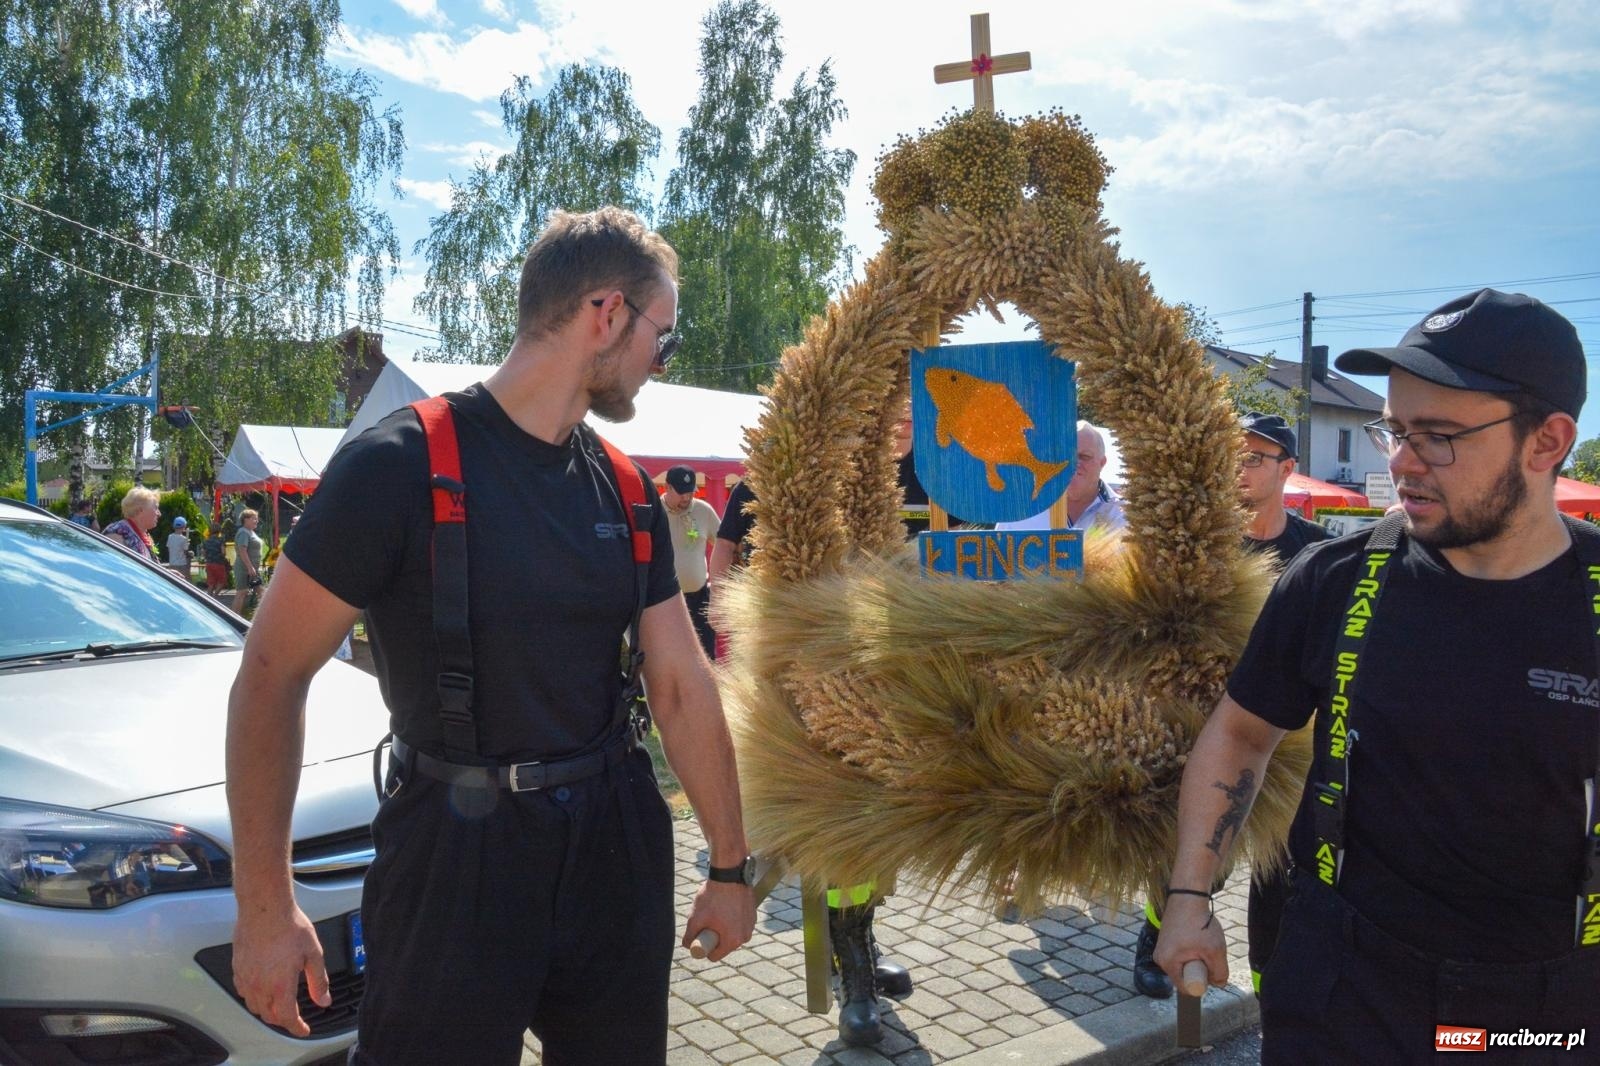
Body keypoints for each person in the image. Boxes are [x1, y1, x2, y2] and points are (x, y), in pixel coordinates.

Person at [224, 206, 755, 1066]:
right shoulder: (395, 464)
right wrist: (262, 907)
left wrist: (730, 869)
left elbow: (683, 683)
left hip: (612, 843)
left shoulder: (622, 488)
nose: (664, 360)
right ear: (607, 314)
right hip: (453, 854)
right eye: (666, 334)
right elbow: (270, 673)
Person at [1155, 289, 1599, 1063]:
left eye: (1438, 436)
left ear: (1547, 441)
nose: (1399, 462)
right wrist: (1190, 898)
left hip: (1546, 1012)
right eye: (1395, 429)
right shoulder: (1335, 578)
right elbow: (1240, 732)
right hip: (1345, 988)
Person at [1130, 411, 1333, 999]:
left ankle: (1274, 995)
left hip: (1291, 738)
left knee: (1276, 870)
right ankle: (1155, 935)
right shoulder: (1204, 547)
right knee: (1191, 847)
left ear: (1287, 469)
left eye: (1253, 458)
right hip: (1209, 721)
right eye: (1230, 458)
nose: (1237, 471)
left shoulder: (1315, 552)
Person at [993, 421, 1125, 533]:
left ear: (1102, 463)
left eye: (1085, 457)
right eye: (1065, 456)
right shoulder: (1019, 515)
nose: (1073, 464)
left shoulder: (1124, 515)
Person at [661, 465, 720, 658]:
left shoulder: (704, 510)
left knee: (705, 655)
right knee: (669, 657)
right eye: (681, 493)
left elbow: (723, 545)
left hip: (699, 597)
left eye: (690, 492)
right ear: (667, 487)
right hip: (664, 600)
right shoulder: (654, 512)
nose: (686, 498)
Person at [101, 486, 159, 559]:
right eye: (156, 508)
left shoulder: (143, 534)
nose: (159, 513)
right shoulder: (117, 534)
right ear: (140, 510)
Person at [231, 509, 264, 616]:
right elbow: (242, 550)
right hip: (244, 568)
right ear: (246, 519)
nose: (256, 521)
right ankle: (234, 617)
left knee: (261, 591)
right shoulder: (243, 532)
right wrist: (250, 567)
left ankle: (264, 617)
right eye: (254, 519)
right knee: (242, 592)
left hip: (252, 568)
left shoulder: (251, 532)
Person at [202, 526, 229, 595]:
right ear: (219, 531)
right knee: (222, 582)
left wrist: (208, 557)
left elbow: (203, 553)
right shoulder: (221, 540)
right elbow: (223, 552)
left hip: (209, 563)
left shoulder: (206, 541)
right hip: (219, 563)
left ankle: (208, 598)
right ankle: (215, 595)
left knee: (211, 583)